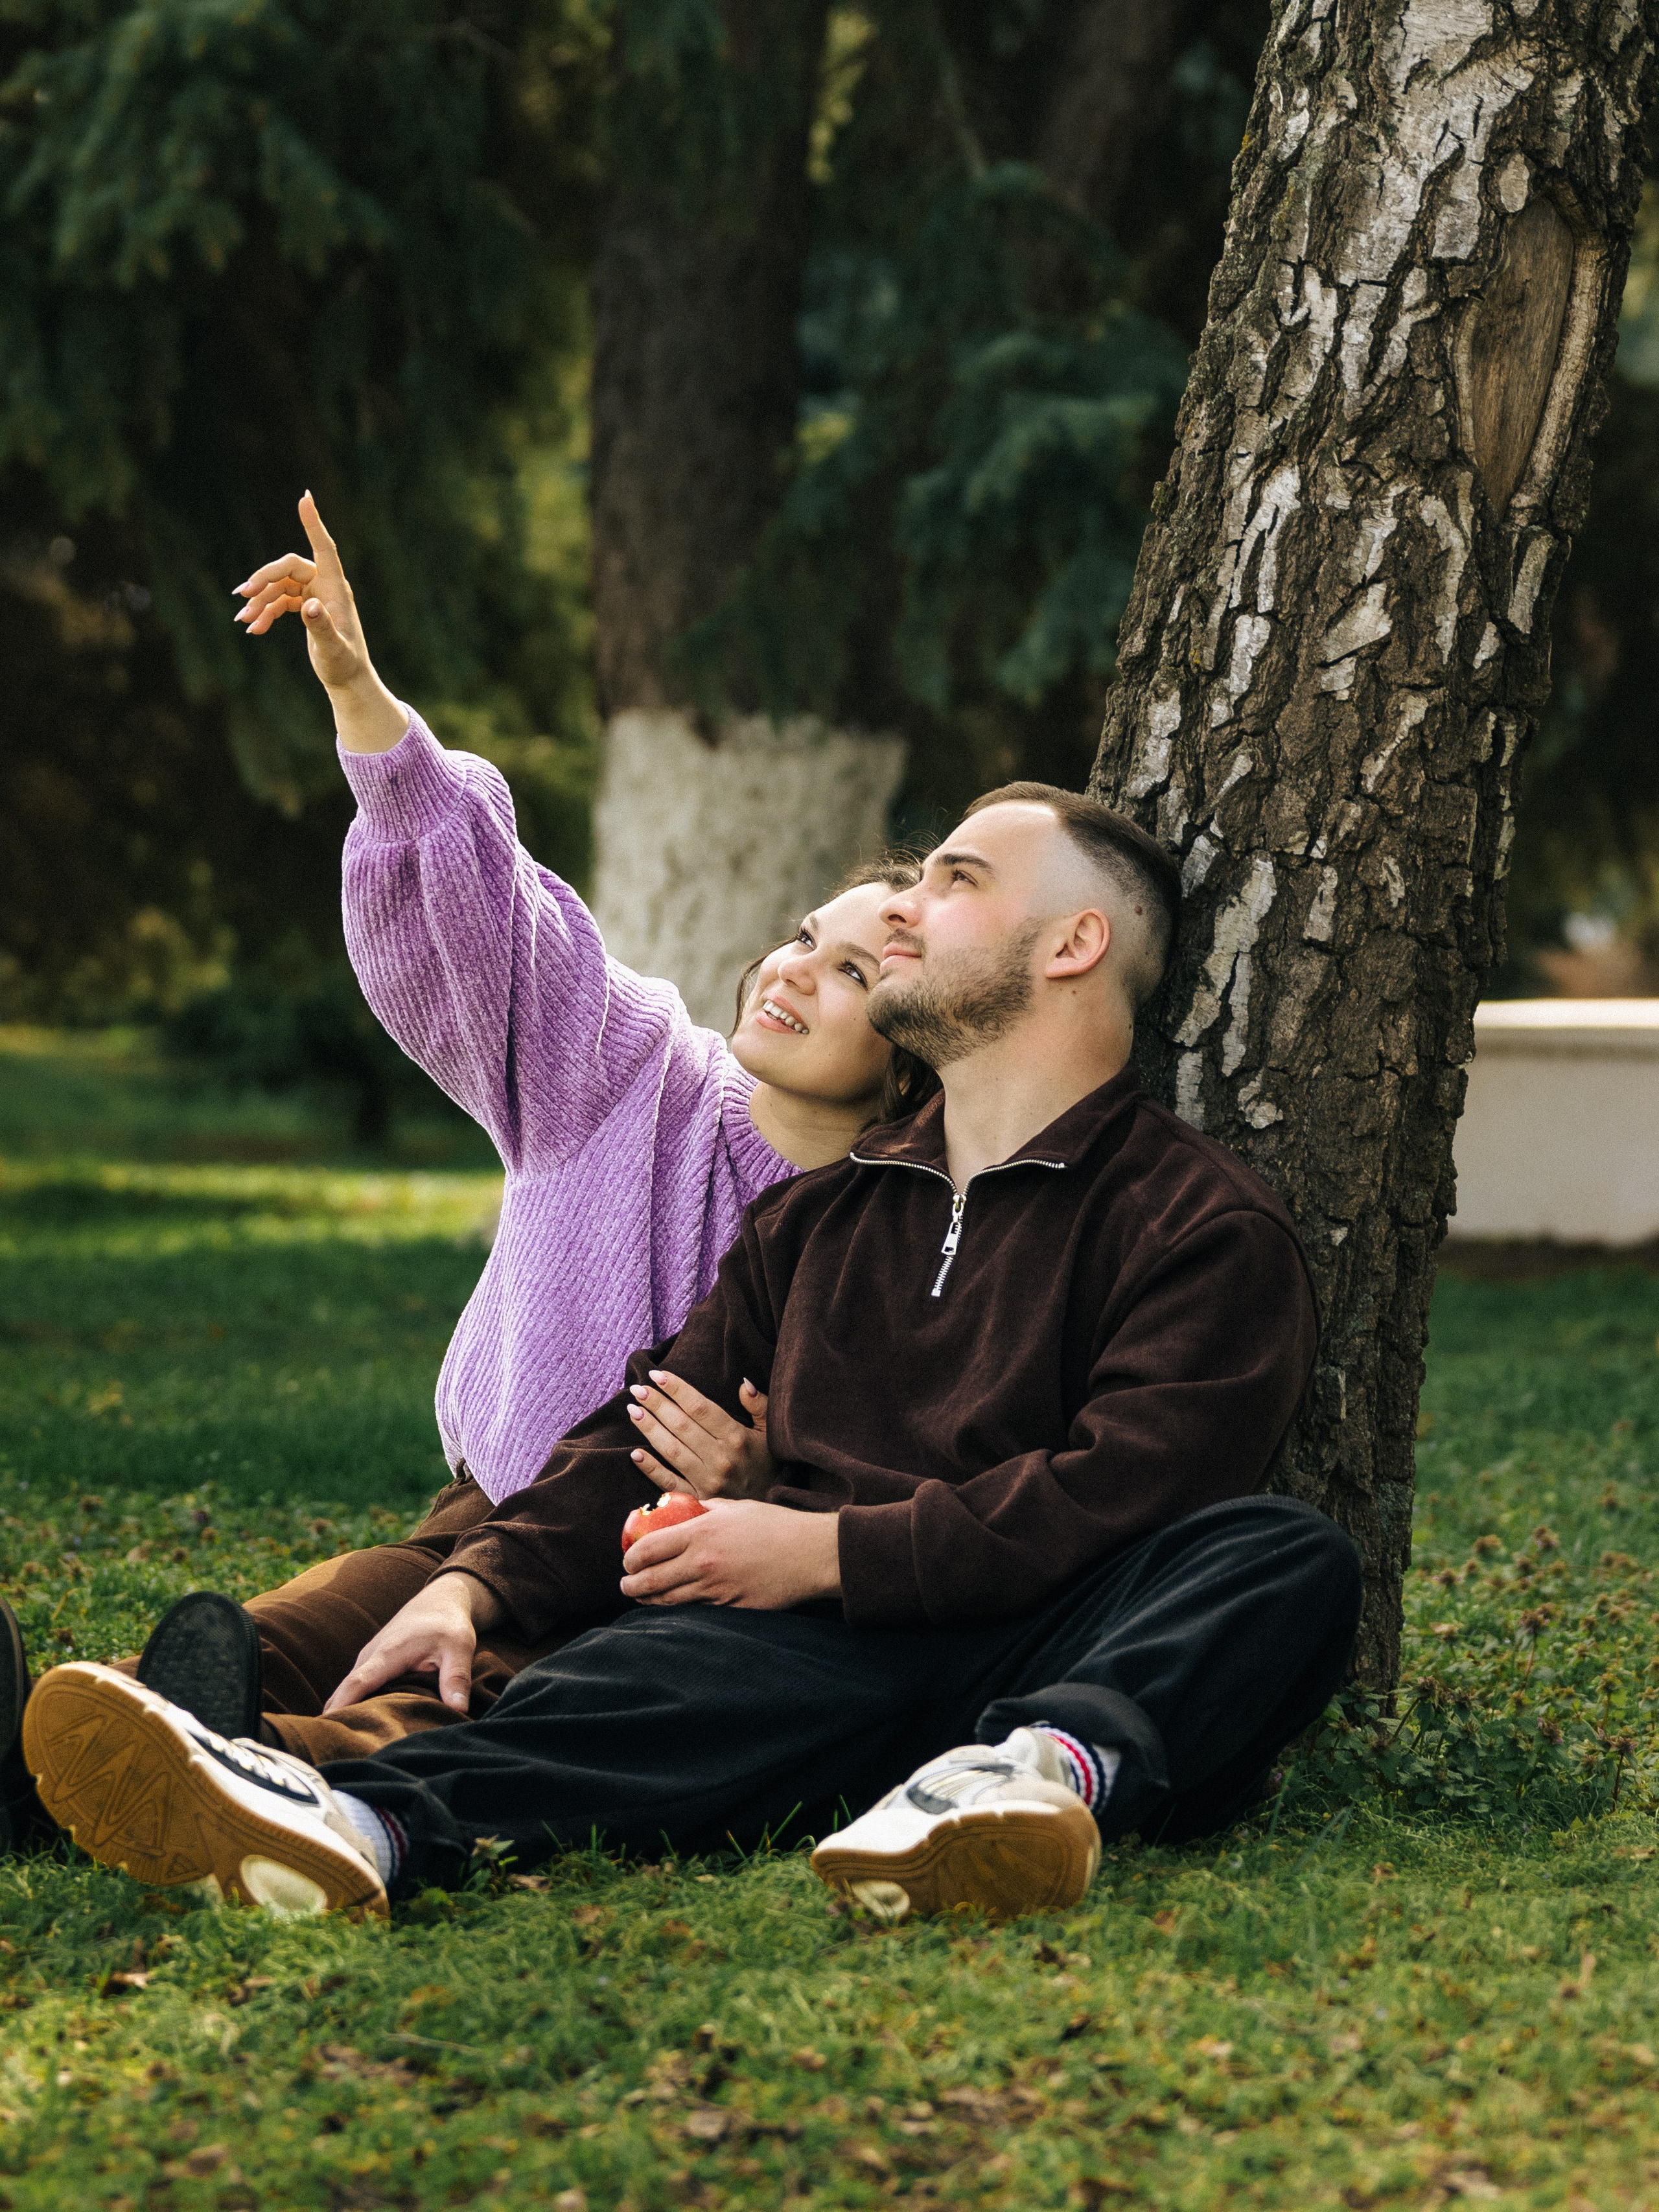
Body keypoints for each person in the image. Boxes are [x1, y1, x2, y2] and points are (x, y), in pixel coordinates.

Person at [23, 785, 1361, 1924]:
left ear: (1073, 943)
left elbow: (1134, 1490)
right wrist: (475, 1584)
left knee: (1282, 1559)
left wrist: (825, 1551)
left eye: (954, 881)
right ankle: (348, 1824)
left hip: (1043, 1650)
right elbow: (638, 1427)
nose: (907, 908)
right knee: (631, 1674)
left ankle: (1025, 1787)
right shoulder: (819, 1219)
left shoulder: (1195, 1223)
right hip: (797, 1662)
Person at [0, 495, 935, 1828]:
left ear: (915, 1052)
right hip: (488, 1516)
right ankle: (90, 1741)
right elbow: (502, 925)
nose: (792, 969)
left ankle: (256, 1779)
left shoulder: (899, 1230)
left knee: (443, 1698)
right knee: (302, 1624)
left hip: (651, 1587)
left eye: (848, 972)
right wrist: (364, 702)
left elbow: (895, 1466)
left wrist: (761, 1484)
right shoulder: (627, 1068)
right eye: (802, 934)